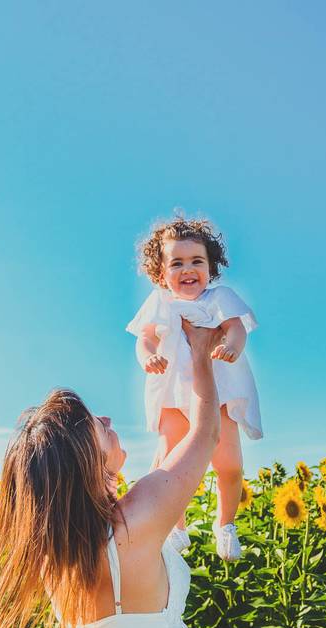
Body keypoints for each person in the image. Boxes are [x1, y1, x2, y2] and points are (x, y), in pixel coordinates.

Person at [0, 320, 223, 628]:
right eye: (100, 428)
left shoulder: (55, 551)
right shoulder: (135, 522)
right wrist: (201, 354)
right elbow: (206, 433)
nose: (108, 421)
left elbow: (163, 470)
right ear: (86, 466)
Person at [127, 216, 263, 560]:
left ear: (211, 266)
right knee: (169, 460)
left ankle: (225, 524)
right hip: (172, 390)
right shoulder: (159, 302)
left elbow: (237, 328)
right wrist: (148, 357)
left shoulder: (220, 298)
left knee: (228, 462)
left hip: (218, 390)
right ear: (161, 273)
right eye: (177, 263)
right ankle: (177, 527)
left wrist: (233, 346)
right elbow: (144, 338)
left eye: (196, 261)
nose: (188, 269)